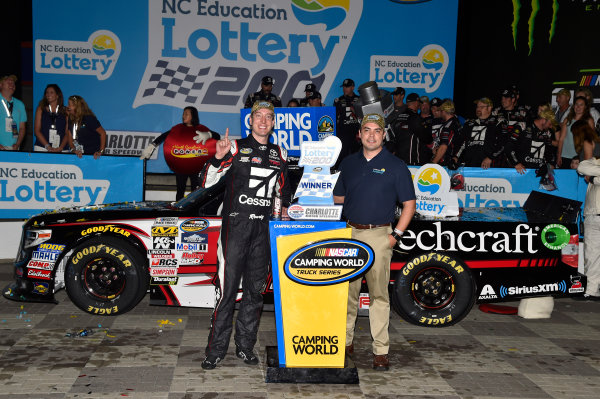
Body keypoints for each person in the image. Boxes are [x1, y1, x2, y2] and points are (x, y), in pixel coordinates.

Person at [198, 101, 290, 370]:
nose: (263, 121)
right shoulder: (236, 147)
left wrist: (284, 210)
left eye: (268, 117)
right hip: (235, 231)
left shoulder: (280, 153)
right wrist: (218, 157)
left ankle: (245, 347)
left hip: (263, 232)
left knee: (255, 294)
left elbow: (283, 193)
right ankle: (215, 350)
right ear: (250, 121)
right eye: (258, 116)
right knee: (226, 293)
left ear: (274, 123)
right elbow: (206, 182)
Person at [333, 113, 416, 371]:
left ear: (383, 134)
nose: (371, 135)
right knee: (348, 293)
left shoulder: (396, 165)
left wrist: (395, 237)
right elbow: (337, 199)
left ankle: (381, 350)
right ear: (359, 134)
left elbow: (409, 205)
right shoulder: (348, 163)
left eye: (376, 131)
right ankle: (345, 342)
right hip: (350, 234)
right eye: (366, 130)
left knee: (379, 296)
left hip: (380, 237)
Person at [140, 106, 220, 200]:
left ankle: (193, 211)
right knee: (180, 190)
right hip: (181, 167)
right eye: (183, 113)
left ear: (193, 116)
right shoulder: (178, 129)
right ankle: (178, 211)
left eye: (186, 114)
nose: (183, 116)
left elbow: (217, 136)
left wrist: (209, 134)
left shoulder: (201, 129)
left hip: (197, 167)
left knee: (196, 191)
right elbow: (164, 136)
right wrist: (152, 145)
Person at [452, 98, 502, 168]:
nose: (478, 109)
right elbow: (462, 142)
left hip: (489, 167)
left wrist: (490, 157)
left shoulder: (498, 123)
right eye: (477, 106)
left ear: (489, 108)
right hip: (469, 165)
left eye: (481, 107)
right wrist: (456, 157)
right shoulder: (469, 124)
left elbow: (502, 143)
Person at [505, 108, 557, 174]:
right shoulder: (523, 126)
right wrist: (516, 163)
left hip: (539, 172)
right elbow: (508, 146)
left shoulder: (548, 133)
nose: (551, 127)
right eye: (550, 124)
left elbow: (550, 152)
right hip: (522, 171)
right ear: (543, 120)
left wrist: (551, 164)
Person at [577, 157, 600, 299]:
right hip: (592, 214)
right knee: (591, 255)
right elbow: (581, 167)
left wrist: (593, 179)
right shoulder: (596, 161)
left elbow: (595, 179)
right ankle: (591, 290)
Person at [391, 93, 430, 165]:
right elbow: (426, 138)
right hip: (411, 160)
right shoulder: (414, 117)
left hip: (398, 158)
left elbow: (393, 136)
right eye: (419, 103)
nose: (419, 106)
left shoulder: (399, 116)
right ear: (416, 103)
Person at [557, 96, 595, 168]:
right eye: (576, 104)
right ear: (573, 106)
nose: (578, 107)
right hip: (565, 155)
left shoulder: (589, 120)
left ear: (585, 107)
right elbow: (561, 139)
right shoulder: (567, 119)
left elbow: (591, 140)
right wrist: (559, 155)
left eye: (581, 105)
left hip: (581, 156)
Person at [33, 84, 68, 152]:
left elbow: (68, 133)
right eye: (47, 92)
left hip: (61, 149)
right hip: (42, 147)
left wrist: (60, 148)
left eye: (51, 92)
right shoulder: (40, 109)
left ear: (57, 95)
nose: (48, 94)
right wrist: (47, 146)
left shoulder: (65, 111)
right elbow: (37, 131)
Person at [334, 78, 360, 163]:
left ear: (353, 87)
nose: (345, 89)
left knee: (357, 157)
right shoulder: (338, 100)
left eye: (347, 87)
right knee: (342, 157)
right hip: (343, 134)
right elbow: (334, 117)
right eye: (344, 87)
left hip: (356, 133)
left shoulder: (359, 99)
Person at [0, 75, 26, 150]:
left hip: (14, 148)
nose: (12, 85)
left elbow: (22, 128)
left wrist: (18, 144)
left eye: (13, 83)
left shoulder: (20, 104)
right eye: (8, 82)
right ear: (1, 85)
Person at [432, 100, 461, 166]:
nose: (440, 113)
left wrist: (433, 163)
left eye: (441, 111)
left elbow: (443, 147)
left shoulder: (448, 126)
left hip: (447, 162)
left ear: (444, 111)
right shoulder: (456, 122)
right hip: (454, 159)